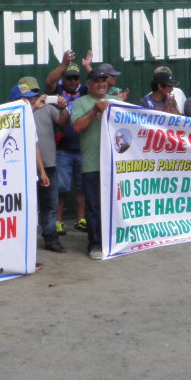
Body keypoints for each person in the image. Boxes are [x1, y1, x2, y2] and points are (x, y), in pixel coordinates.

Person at [70, 63, 117, 259]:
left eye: (103, 81)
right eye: (96, 81)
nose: (101, 84)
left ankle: (115, 241)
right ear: (88, 84)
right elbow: (77, 128)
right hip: (92, 164)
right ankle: (95, 244)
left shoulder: (116, 101)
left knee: (116, 204)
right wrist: (94, 111)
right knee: (94, 207)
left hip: (116, 165)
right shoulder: (81, 103)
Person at [16, 81, 67, 252]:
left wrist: (62, 108)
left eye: (35, 94)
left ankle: (51, 238)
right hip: (23, 168)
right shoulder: (15, 111)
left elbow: (63, 121)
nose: (34, 98)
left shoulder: (47, 107)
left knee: (50, 205)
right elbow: (19, 121)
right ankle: (25, 245)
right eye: (29, 95)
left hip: (47, 164)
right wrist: (34, 107)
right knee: (26, 208)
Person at [51, 65, 87, 236]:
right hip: (63, 149)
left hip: (82, 148)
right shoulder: (57, 90)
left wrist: (87, 67)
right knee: (61, 188)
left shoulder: (85, 90)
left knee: (82, 187)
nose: (73, 81)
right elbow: (49, 81)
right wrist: (64, 64)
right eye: (69, 78)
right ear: (63, 79)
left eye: (76, 78)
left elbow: (99, 81)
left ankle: (80, 219)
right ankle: (58, 222)